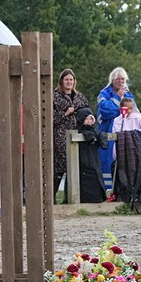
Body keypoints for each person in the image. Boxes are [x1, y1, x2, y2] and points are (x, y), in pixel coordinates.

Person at [111, 97, 141, 213]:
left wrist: (134, 133)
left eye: (131, 108)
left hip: (135, 150)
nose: (129, 111)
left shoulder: (138, 118)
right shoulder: (117, 120)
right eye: (127, 108)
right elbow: (116, 133)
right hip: (122, 150)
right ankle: (122, 196)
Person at [96, 67, 134, 192]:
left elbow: (133, 113)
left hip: (125, 133)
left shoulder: (129, 95)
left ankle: (124, 191)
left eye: (122, 79)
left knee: (125, 161)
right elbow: (105, 111)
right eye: (117, 79)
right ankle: (107, 191)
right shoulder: (104, 93)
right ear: (112, 80)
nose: (120, 81)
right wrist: (117, 98)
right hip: (107, 133)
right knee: (107, 162)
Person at [52, 68, 89, 197]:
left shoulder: (80, 97)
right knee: (59, 168)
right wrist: (65, 113)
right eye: (66, 79)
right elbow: (48, 118)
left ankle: (71, 197)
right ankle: (52, 197)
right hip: (59, 136)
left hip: (77, 135)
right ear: (61, 81)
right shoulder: (54, 96)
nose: (69, 82)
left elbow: (87, 112)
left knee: (75, 167)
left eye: (71, 79)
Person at [74, 107, 108, 204]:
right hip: (83, 157)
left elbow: (101, 136)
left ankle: (99, 198)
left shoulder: (96, 131)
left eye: (91, 119)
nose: (89, 121)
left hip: (94, 158)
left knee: (96, 174)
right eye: (86, 119)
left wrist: (102, 141)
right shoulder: (78, 129)